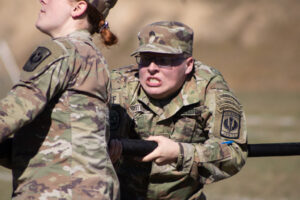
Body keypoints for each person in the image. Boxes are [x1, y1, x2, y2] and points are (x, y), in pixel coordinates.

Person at [109, 21, 248, 200]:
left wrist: (179, 153)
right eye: (145, 59)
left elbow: (233, 151)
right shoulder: (117, 85)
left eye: (163, 60)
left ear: (188, 64)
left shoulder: (209, 88)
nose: (152, 68)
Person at [0, 0, 120, 199]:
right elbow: (55, 146)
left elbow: (16, 109)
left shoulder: (63, 50)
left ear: (78, 8)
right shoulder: (92, 58)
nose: (43, 0)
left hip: (58, 191)